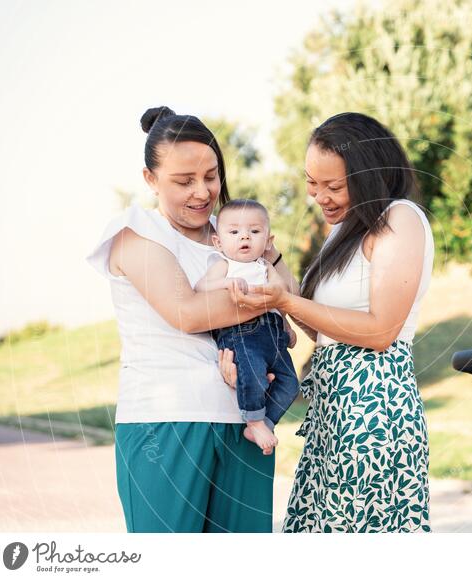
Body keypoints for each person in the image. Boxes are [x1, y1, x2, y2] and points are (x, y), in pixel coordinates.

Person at [219, 112, 434, 532]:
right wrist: (274, 267)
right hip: (334, 410)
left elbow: (380, 330)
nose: (318, 196)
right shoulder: (346, 230)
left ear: (370, 175)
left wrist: (287, 301)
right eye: (312, 183)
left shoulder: (399, 218)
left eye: (333, 186)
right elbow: (323, 329)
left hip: (374, 409)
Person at [86, 106, 294, 532]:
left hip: (245, 422)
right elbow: (188, 312)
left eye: (211, 176)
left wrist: (269, 255)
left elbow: (289, 295)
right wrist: (269, 301)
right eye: (184, 181)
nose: (203, 192)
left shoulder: (234, 231)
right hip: (166, 422)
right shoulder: (136, 232)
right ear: (150, 179)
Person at [195, 199, 300, 454]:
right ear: (219, 242)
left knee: (290, 384)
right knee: (252, 375)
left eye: (254, 231)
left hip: (273, 334)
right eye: (234, 232)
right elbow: (200, 288)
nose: (245, 237)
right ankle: (253, 419)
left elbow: (281, 294)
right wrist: (227, 283)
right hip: (243, 334)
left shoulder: (265, 266)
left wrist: (286, 324)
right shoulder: (224, 265)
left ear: (267, 240)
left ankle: (265, 422)